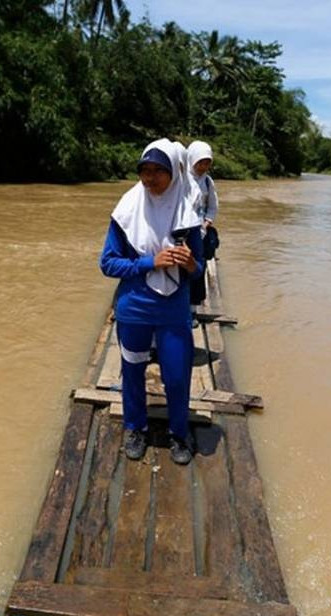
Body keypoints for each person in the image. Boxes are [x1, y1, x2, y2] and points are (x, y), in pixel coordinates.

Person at [99, 138, 204, 465]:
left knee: (176, 374)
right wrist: (150, 262)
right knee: (132, 371)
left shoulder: (187, 216)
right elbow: (108, 263)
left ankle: (178, 432)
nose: (150, 177)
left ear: (174, 173)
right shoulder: (126, 212)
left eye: (159, 170)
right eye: (145, 170)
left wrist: (188, 264)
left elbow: (199, 268)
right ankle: (136, 428)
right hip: (134, 307)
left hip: (173, 309)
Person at [186, 140, 220, 307]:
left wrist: (207, 223)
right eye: (201, 162)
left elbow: (213, 206)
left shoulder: (208, 182)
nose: (203, 167)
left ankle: (193, 307)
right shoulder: (182, 179)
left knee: (198, 268)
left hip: (201, 232)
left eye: (207, 163)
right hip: (183, 232)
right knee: (181, 267)